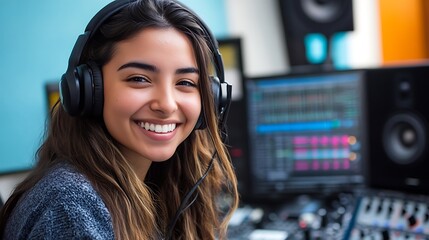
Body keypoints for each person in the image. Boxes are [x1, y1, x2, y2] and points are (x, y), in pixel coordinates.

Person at [0, 0, 239, 239]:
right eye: (139, 79)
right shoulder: (71, 207)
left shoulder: (158, 189)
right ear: (89, 89)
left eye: (186, 83)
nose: (166, 104)